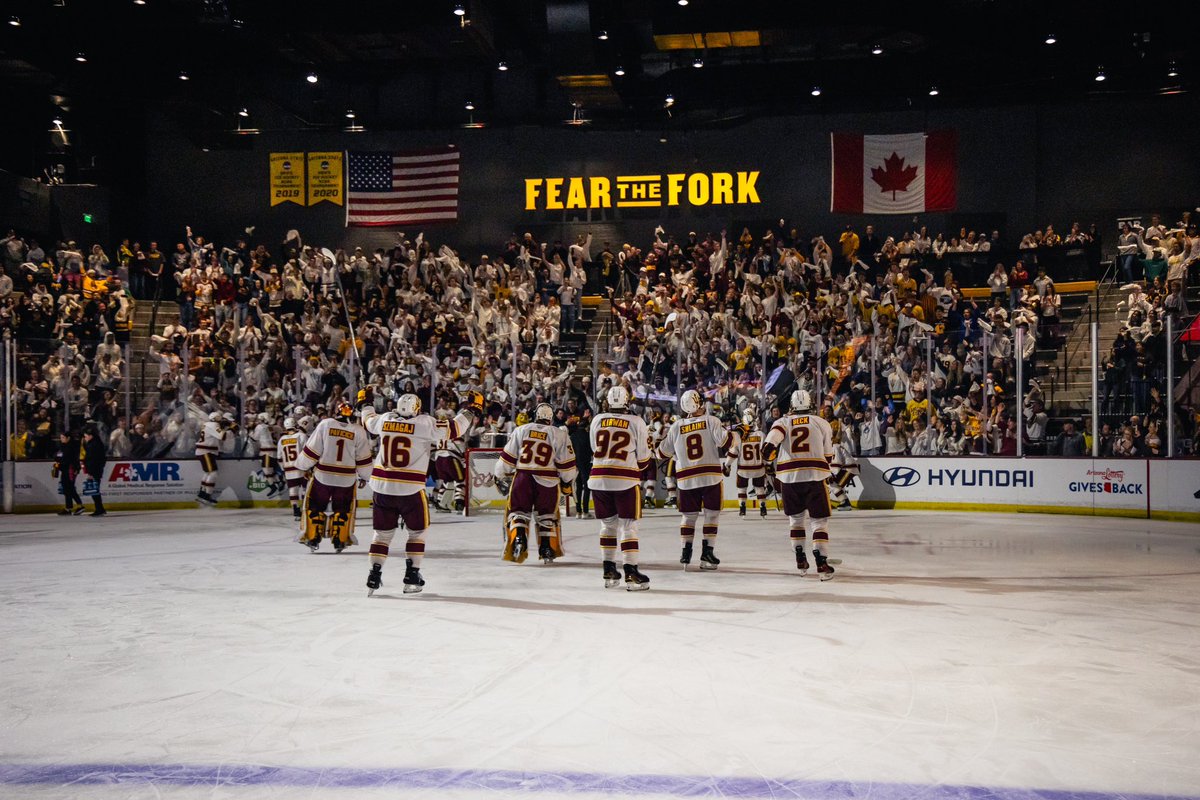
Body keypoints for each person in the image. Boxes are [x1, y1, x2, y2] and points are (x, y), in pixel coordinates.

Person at [360, 390, 481, 595]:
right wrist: (472, 409)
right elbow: (455, 428)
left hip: (382, 487)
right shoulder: (424, 423)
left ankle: (374, 573)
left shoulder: (386, 419)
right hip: (410, 489)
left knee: (381, 535)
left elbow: (367, 420)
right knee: (417, 533)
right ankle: (412, 573)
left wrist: (365, 403)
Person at [763, 389, 839, 580]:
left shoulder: (783, 422)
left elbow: (769, 447)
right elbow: (829, 455)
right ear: (810, 403)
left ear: (792, 405)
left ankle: (800, 559)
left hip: (789, 478)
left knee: (796, 521)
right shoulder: (821, 423)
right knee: (819, 522)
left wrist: (770, 454)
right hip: (814, 476)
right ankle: (821, 563)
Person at [657, 389, 736, 571]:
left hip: (686, 478)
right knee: (711, 515)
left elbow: (662, 452)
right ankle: (707, 553)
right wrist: (735, 431)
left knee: (688, 517)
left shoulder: (676, 426)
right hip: (710, 477)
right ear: (699, 403)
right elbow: (726, 443)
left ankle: (686, 552)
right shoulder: (711, 421)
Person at [493, 403, 578, 564]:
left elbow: (507, 458)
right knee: (547, 515)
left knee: (518, 512)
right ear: (551, 418)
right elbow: (566, 465)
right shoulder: (559, 434)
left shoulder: (522, 430)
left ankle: (519, 539)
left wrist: (499, 474)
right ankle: (547, 549)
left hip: (523, 477)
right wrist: (567, 482)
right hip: (548, 480)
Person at [587, 385, 652, 590]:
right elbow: (643, 459)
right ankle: (631, 571)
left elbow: (593, 448)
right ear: (627, 401)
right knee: (628, 526)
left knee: (608, 525)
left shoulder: (597, 420)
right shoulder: (636, 421)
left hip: (598, 478)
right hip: (625, 480)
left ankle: (608, 569)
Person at [293, 401, 373, 554]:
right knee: (343, 509)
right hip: (347, 478)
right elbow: (363, 458)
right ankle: (340, 540)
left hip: (323, 476)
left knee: (314, 506)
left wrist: (304, 466)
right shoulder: (358, 430)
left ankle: (312, 537)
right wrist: (365, 476)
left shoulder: (326, 424)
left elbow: (313, 450)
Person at [734, 409, 768, 518]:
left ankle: (742, 507)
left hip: (743, 468)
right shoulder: (761, 434)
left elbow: (733, 452)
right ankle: (762, 507)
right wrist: (768, 464)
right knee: (760, 488)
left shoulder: (739, 436)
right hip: (758, 468)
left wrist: (727, 465)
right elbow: (766, 451)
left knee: (741, 488)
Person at [194, 411, 230, 506]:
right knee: (213, 473)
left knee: (207, 473)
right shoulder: (213, 425)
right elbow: (222, 436)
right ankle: (207, 495)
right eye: (219, 418)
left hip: (205, 451)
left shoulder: (207, 424)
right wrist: (230, 429)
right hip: (206, 451)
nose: (221, 420)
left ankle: (202, 494)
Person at [276, 417, 308, 522]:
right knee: (305, 489)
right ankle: (304, 509)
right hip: (302, 467)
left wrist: (283, 468)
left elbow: (279, 457)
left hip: (289, 468)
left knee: (293, 489)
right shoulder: (302, 436)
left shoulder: (281, 440)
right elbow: (307, 452)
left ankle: (295, 510)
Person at [251, 413, 283, 498]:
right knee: (272, 470)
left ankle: (273, 486)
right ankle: (279, 481)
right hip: (275, 451)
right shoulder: (277, 427)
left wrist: (251, 432)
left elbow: (255, 438)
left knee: (266, 470)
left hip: (267, 452)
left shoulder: (260, 427)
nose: (258, 421)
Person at [53, 430, 84, 516]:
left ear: (68, 438)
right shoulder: (64, 446)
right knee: (66, 489)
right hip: (65, 470)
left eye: (63, 437)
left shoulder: (72, 447)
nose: (61, 439)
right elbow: (57, 456)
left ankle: (80, 505)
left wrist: (60, 461)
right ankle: (68, 508)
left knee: (70, 488)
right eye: (61, 438)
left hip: (70, 470)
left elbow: (67, 459)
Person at [80, 425, 107, 517]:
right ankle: (100, 508)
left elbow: (92, 460)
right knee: (95, 490)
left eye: (86, 436)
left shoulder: (93, 446)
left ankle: (99, 509)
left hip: (94, 471)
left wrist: (90, 473)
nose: (85, 438)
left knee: (94, 491)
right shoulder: (96, 444)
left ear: (91, 436)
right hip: (97, 470)